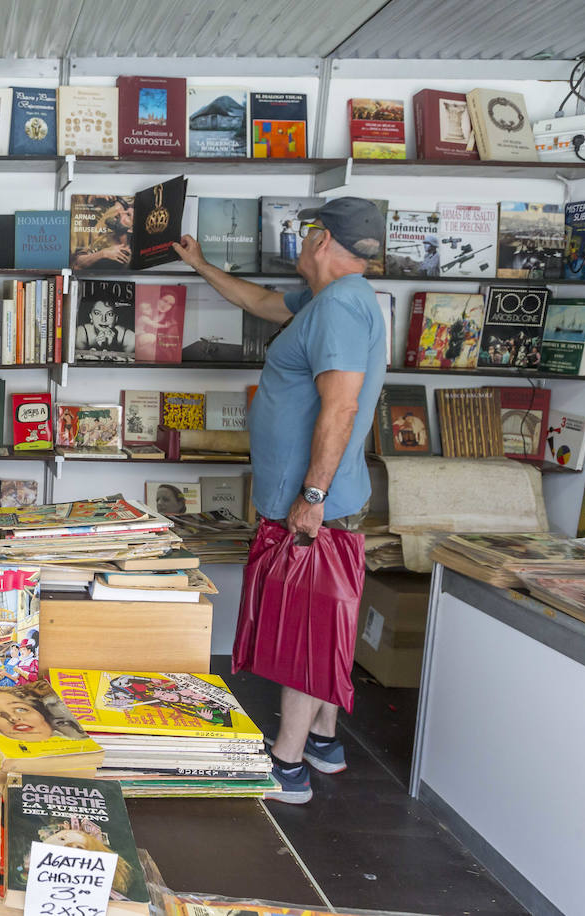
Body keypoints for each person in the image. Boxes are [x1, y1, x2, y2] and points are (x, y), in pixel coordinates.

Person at [173, 197, 387, 805]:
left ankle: (287, 765)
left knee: (309, 634)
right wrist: (201, 264)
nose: (302, 237)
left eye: (308, 229)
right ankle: (323, 740)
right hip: (312, 501)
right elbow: (261, 303)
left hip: (317, 506)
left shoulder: (341, 308)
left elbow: (341, 407)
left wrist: (312, 497)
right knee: (326, 622)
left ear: (322, 240)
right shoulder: (329, 301)